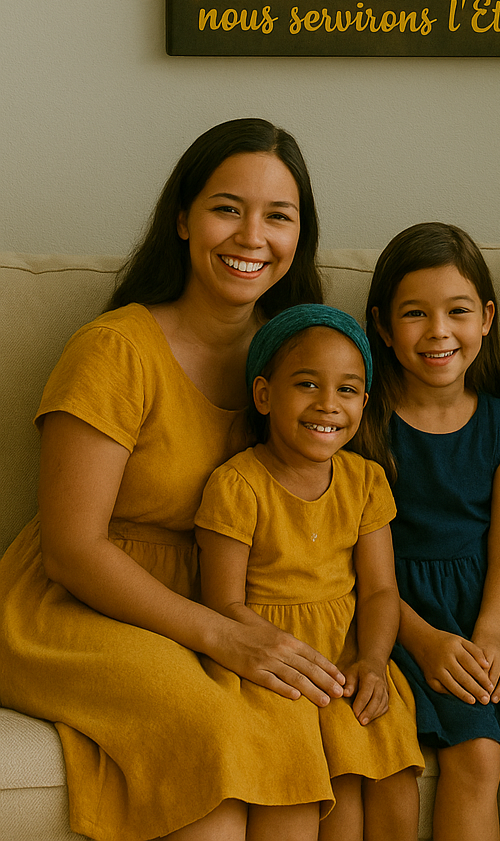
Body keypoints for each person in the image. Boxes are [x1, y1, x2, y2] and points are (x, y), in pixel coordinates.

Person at [0, 118, 355, 841]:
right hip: (77, 604)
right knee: (210, 736)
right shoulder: (115, 348)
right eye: (229, 207)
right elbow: (73, 549)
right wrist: (224, 639)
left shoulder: (302, 365)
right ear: (184, 220)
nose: (252, 236)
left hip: (217, 603)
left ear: (300, 236)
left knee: (291, 719)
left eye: (278, 216)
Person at [359, 222, 500, 841]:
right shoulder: (363, 425)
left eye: (457, 311)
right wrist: (426, 643)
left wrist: (491, 637)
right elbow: (359, 568)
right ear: (381, 326)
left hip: (492, 612)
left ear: (486, 317)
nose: (438, 332)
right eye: (414, 315)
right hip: (401, 611)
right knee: (477, 755)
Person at [196, 304, 422, 841]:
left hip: (352, 653)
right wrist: (277, 655)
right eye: (307, 384)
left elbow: (381, 590)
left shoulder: (365, 480)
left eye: (347, 390)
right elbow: (224, 606)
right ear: (264, 395)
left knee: (394, 776)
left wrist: (374, 659)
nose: (328, 404)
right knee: (332, 797)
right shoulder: (237, 485)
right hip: (271, 660)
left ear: (364, 405)